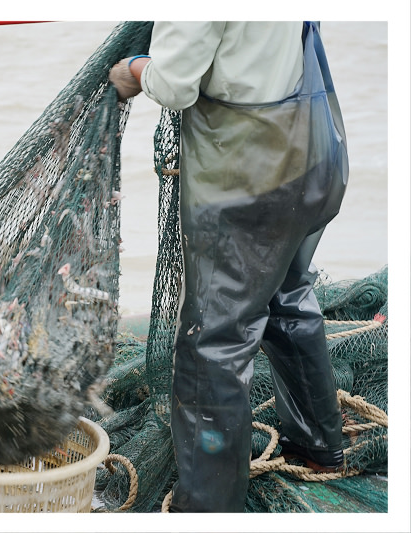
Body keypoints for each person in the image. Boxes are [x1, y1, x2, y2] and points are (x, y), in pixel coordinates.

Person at [109, 21, 348, 512]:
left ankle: (209, 507)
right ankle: (319, 448)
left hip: (252, 176)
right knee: (286, 292)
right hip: (317, 152)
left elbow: (174, 84)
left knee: (213, 340)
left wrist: (133, 69)